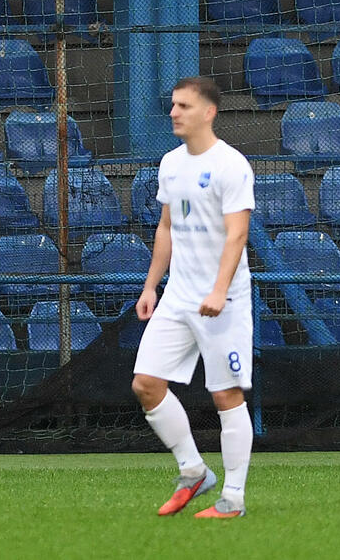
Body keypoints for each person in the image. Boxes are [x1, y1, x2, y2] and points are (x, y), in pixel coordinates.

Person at [131, 76, 255, 518]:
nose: (173, 112)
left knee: (226, 396)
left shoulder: (231, 165)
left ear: (209, 112)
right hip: (178, 297)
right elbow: (166, 227)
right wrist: (151, 286)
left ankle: (233, 499)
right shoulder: (169, 163)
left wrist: (220, 290)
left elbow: (237, 233)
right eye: (172, 105)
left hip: (225, 300)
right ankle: (194, 471)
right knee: (145, 384)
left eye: (183, 105)